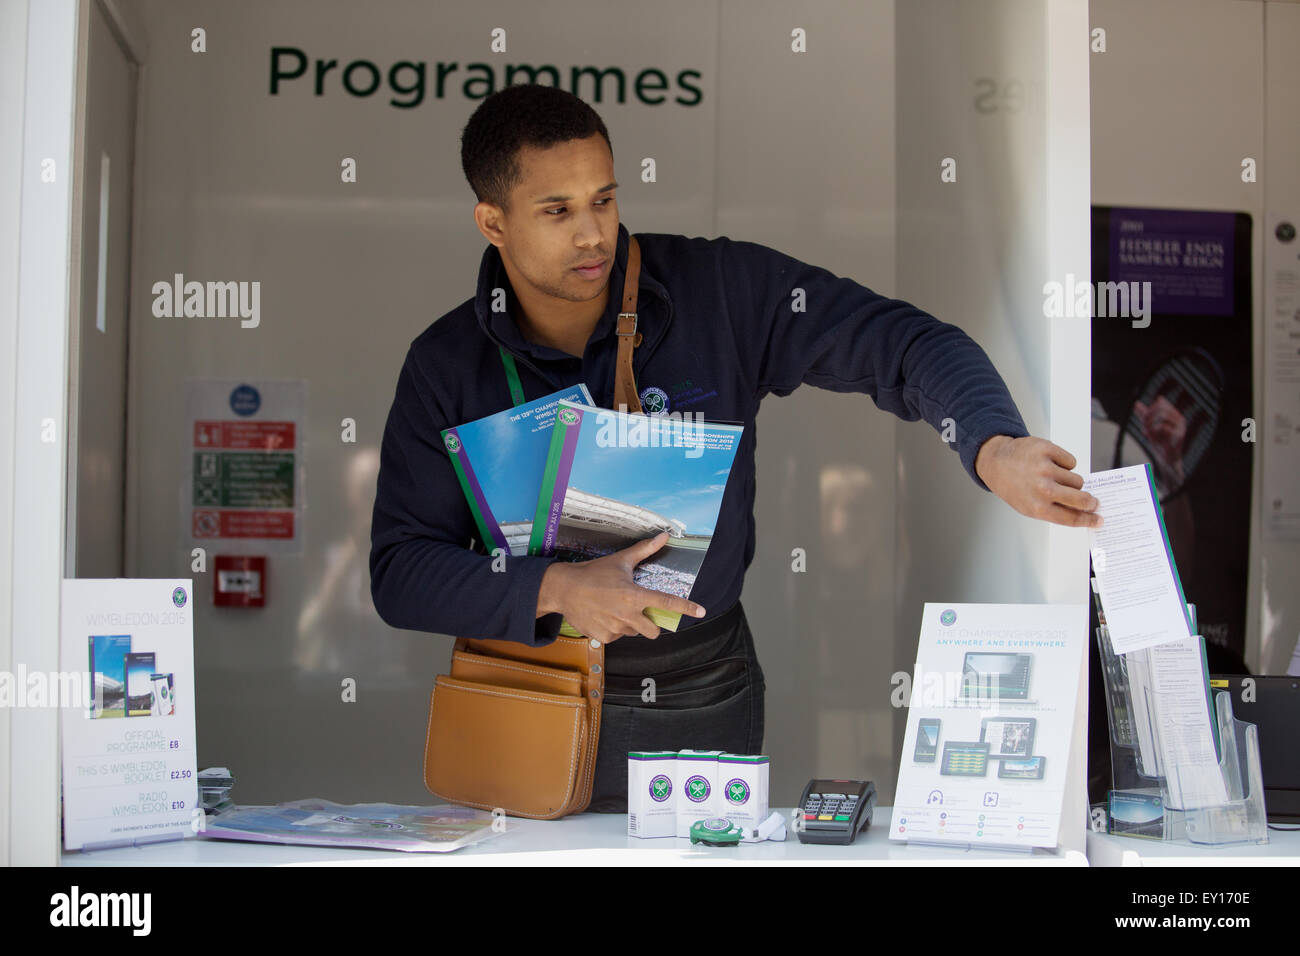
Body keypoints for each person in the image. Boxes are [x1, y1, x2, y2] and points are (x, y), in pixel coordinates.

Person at [369, 83, 1102, 811]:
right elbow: (400, 571)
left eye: (604, 199)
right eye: (557, 211)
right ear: (492, 222)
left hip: (697, 694)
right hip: (524, 695)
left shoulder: (720, 292)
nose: (593, 233)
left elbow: (906, 343)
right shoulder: (445, 364)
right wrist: (554, 591)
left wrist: (991, 442)